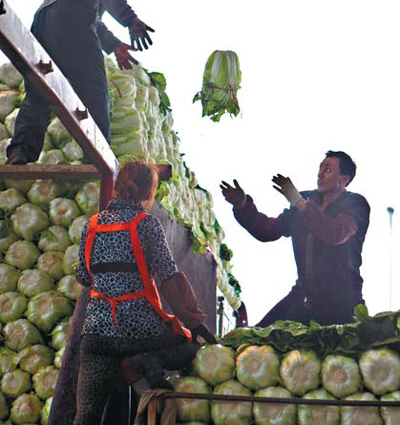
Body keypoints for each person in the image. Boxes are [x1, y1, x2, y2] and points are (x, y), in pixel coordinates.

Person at [73, 161, 216, 425]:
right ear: (148, 194)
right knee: (189, 348)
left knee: (86, 415)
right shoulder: (146, 224)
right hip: (139, 333)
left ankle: (132, 366)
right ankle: (145, 361)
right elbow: (168, 276)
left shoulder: (91, 225)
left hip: (96, 336)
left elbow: (83, 275)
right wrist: (194, 322)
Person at [7, 0, 154, 165]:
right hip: (72, 16)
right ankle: (97, 163)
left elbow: (92, 18)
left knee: (40, 91)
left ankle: (20, 152)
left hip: (45, 20)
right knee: (95, 93)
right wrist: (131, 20)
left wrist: (114, 45)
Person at [220, 150, 370, 327]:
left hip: (342, 303)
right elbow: (269, 230)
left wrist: (298, 202)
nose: (320, 174)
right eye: (320, 168)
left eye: (328, 170)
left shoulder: (355, 204)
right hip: (304, 297)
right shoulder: (307, 200)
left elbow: (334, 234)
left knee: (338, 350)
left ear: (344, 179)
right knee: (255, 339)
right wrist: (243, 205)